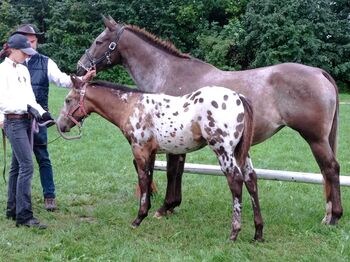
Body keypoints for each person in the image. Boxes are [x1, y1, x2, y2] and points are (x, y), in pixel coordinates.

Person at [11, 24, 95, 211]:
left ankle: (49, 196)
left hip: (38, 120)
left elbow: (63, 80)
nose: (31, 44)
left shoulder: (45, 62)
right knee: (18, 162)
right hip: (16, 120)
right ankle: (15, 201)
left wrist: (82, 79)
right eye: (27, 41)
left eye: (34, 40)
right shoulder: (11, 65)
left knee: (43, 158)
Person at [0, 33, 54, 229]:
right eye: (24, 52)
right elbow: (3, 101)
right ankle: (24, 216)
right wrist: (25, 107)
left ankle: (12, 208)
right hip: (13, 122)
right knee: (27, 166)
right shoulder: (1, 71)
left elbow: (30, 98)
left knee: (16, 167)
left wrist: (42, 113)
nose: (26, 56)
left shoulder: (23, 70)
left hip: (26, 120)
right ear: (13, 50)